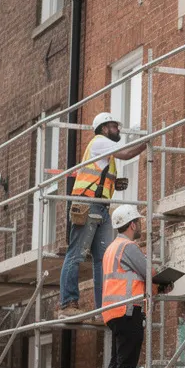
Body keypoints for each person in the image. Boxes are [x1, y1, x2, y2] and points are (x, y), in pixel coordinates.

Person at [58, 112, 148, 320]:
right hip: (89, 205)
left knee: (103, 260)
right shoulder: (100, 142)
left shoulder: (106, 152)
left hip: (100, 208)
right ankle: (67, 303)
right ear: (104, 127)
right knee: (76, 254)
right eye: (114, 126)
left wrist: (113, 183)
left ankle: (102, 308)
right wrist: (146, 143)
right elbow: (126, 153)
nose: (117, 130)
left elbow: (100, 177)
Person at [99, 205, 169, 368]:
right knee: (126, 364)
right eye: (138, 222)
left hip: (114, 312)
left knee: (116, 364)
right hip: (128, 311)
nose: (139, 226)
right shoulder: (128, 247)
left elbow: (134, 278)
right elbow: (149, 273)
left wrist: (156, 287)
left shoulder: (111, 248)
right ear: (131, 225)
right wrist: (164, 282)